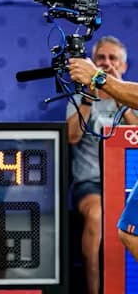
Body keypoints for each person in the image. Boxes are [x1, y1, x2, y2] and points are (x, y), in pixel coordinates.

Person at [66, 35, 138, 294]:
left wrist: (118, 94)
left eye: (112, 59)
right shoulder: (78, 98)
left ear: (124, 66)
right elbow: (71, 137)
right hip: (91, 183)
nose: (106, 64)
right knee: (96, 216)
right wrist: (87, 97)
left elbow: (137, 134)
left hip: (128, 183)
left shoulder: (132, 95)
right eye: (100, 59)